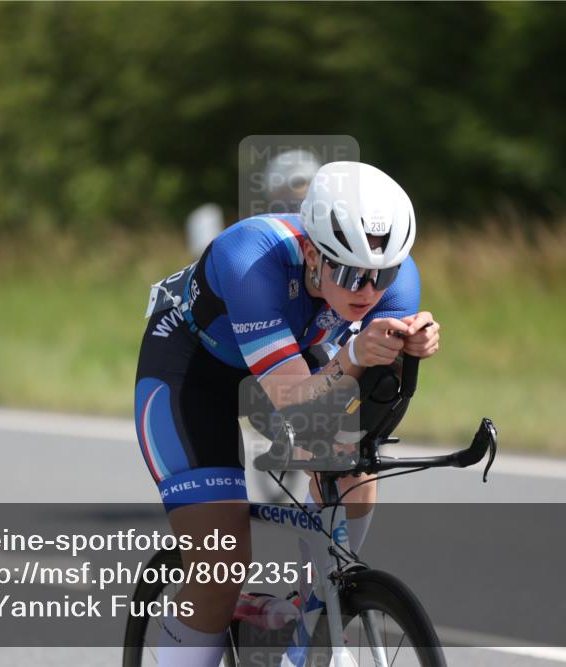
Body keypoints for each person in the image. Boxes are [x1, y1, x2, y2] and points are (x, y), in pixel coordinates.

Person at [135, 161, 441, 666]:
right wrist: (354, 356)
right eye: (348, 272)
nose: (366, 292)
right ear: (309, 252)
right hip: (192, 372)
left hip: (297, 358)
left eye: (380, 276)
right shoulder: (250, 259)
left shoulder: (398, 282)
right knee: (220, 566)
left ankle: (318, 603)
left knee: (354, 464)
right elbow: (295, 403)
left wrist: (405, 354)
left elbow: (369, 413)